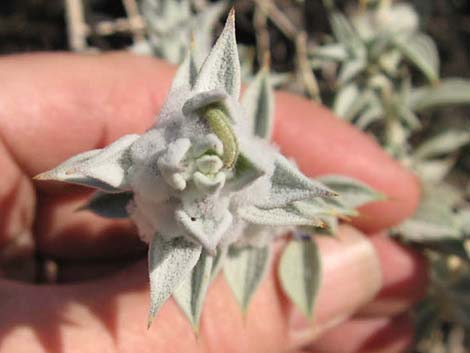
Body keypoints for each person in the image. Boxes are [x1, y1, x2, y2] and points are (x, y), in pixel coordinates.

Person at [0, 53, 427, 353]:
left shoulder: (242, 167)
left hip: (242, 217)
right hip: (203, 224)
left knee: (357, 204)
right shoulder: (163, 177)